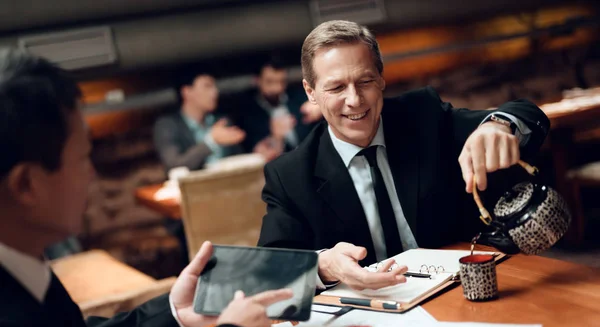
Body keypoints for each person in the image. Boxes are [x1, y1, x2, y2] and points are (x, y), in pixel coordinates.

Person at [0, 48, 292, 327]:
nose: (92, 174)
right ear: (27, 184)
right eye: (81, 158)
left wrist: (175, 313)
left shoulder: (23, 265)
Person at [257, 20, 550, 291]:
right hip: (367, 318)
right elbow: (269, 272)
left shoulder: (423, 115)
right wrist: (324, 265)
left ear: (382, 79)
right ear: (311, 92)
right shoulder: (290, 175)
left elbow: (527, 113)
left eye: (365, 81)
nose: (355, 100)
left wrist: (498, 126)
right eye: (336, 87)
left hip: (456, 294)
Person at [235, 54, 323, 160]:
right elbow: (259, 156)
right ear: (257, 81)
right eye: (270, 82)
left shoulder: (300, 98)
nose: (277, 88)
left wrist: (320, 107)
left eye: (281, 82)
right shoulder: (248, 113)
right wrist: (276, 137)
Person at [153, 72, 246, 171]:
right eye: (207, 86)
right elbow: (175, 165)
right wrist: (211, 141)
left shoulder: (222, 122)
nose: (214, 92)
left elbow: (239, 158)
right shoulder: (168, 125)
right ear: (187, 92)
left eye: (214, 86)